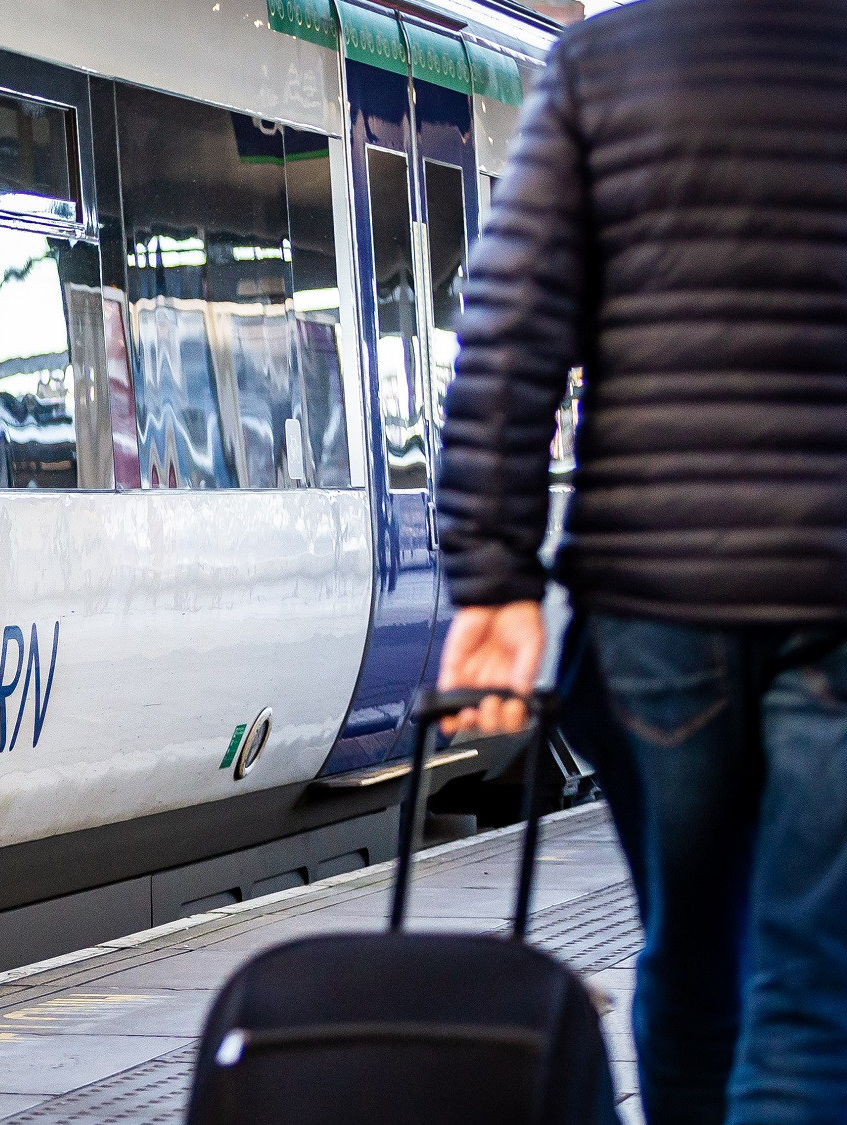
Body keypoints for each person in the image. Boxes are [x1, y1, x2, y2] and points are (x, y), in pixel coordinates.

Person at [434, 1, 847, 1123]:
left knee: (688, 949)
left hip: (655, 597)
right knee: (813, 986)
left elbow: (508, 331)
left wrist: (494, 581)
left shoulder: (599, 65)